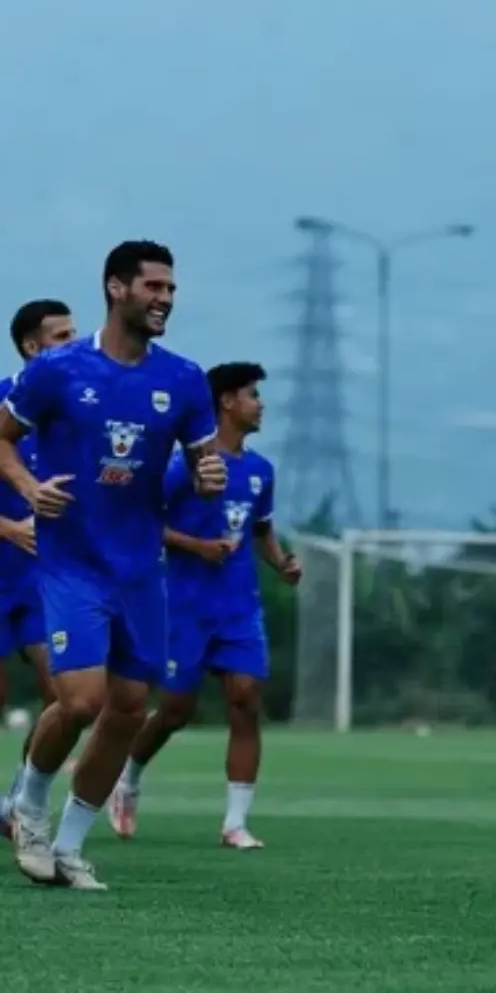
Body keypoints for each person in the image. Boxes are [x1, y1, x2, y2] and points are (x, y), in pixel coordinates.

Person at [0, 241, 226, 891]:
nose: (165, 299)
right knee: (79, 700)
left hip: (139, 569)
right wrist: (25, 487)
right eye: (153, 286)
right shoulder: (58, 370)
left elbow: (204, 464)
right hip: (72, 562)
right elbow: (2, 440)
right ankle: (29, 810)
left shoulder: (183, 379)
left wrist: (209, 477)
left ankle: (69, 847)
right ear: (116, 288)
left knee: (129, 708)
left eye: (171, 289)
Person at [109, 362, 300, 848]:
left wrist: (281, 564)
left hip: (239, 608)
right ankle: (128, 775)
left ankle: (235, 823)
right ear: (228, 403)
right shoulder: (182, 467)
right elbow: (146, 523)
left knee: (246, 700)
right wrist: (195, 546)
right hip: (184, 605)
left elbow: (260, 531)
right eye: (253, 395)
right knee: (175, 709)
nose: (261, 404)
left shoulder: (260, 471)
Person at [0, 300, 77, 838]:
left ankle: (17, 802)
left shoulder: (77, 411)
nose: (74, 345)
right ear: (32, 346)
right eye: (61, 336)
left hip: (42, 576)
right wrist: (9, 528)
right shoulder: (4, 401)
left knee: (66, 694)